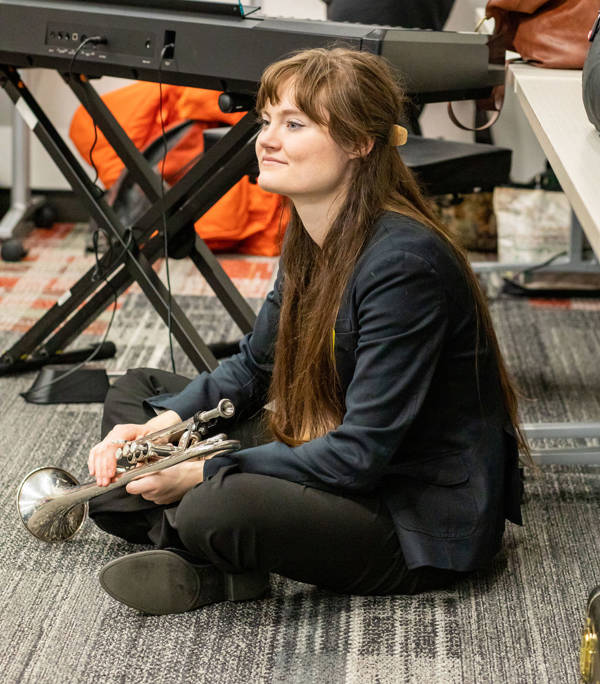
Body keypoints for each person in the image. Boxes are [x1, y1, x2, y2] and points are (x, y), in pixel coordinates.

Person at [88, 47, 529, 616]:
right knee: (135, 401)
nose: (266, 139)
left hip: (408, 510)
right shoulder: (310, 231)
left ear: (358, 143)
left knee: (211, 505)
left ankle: (209, 551)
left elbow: (361, 455)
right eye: (267, 120)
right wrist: (164, 431)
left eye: (294, 125)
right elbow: (253, 367)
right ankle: (216, 555)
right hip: (329, 443)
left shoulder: (404, 265)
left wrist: (202, 470)